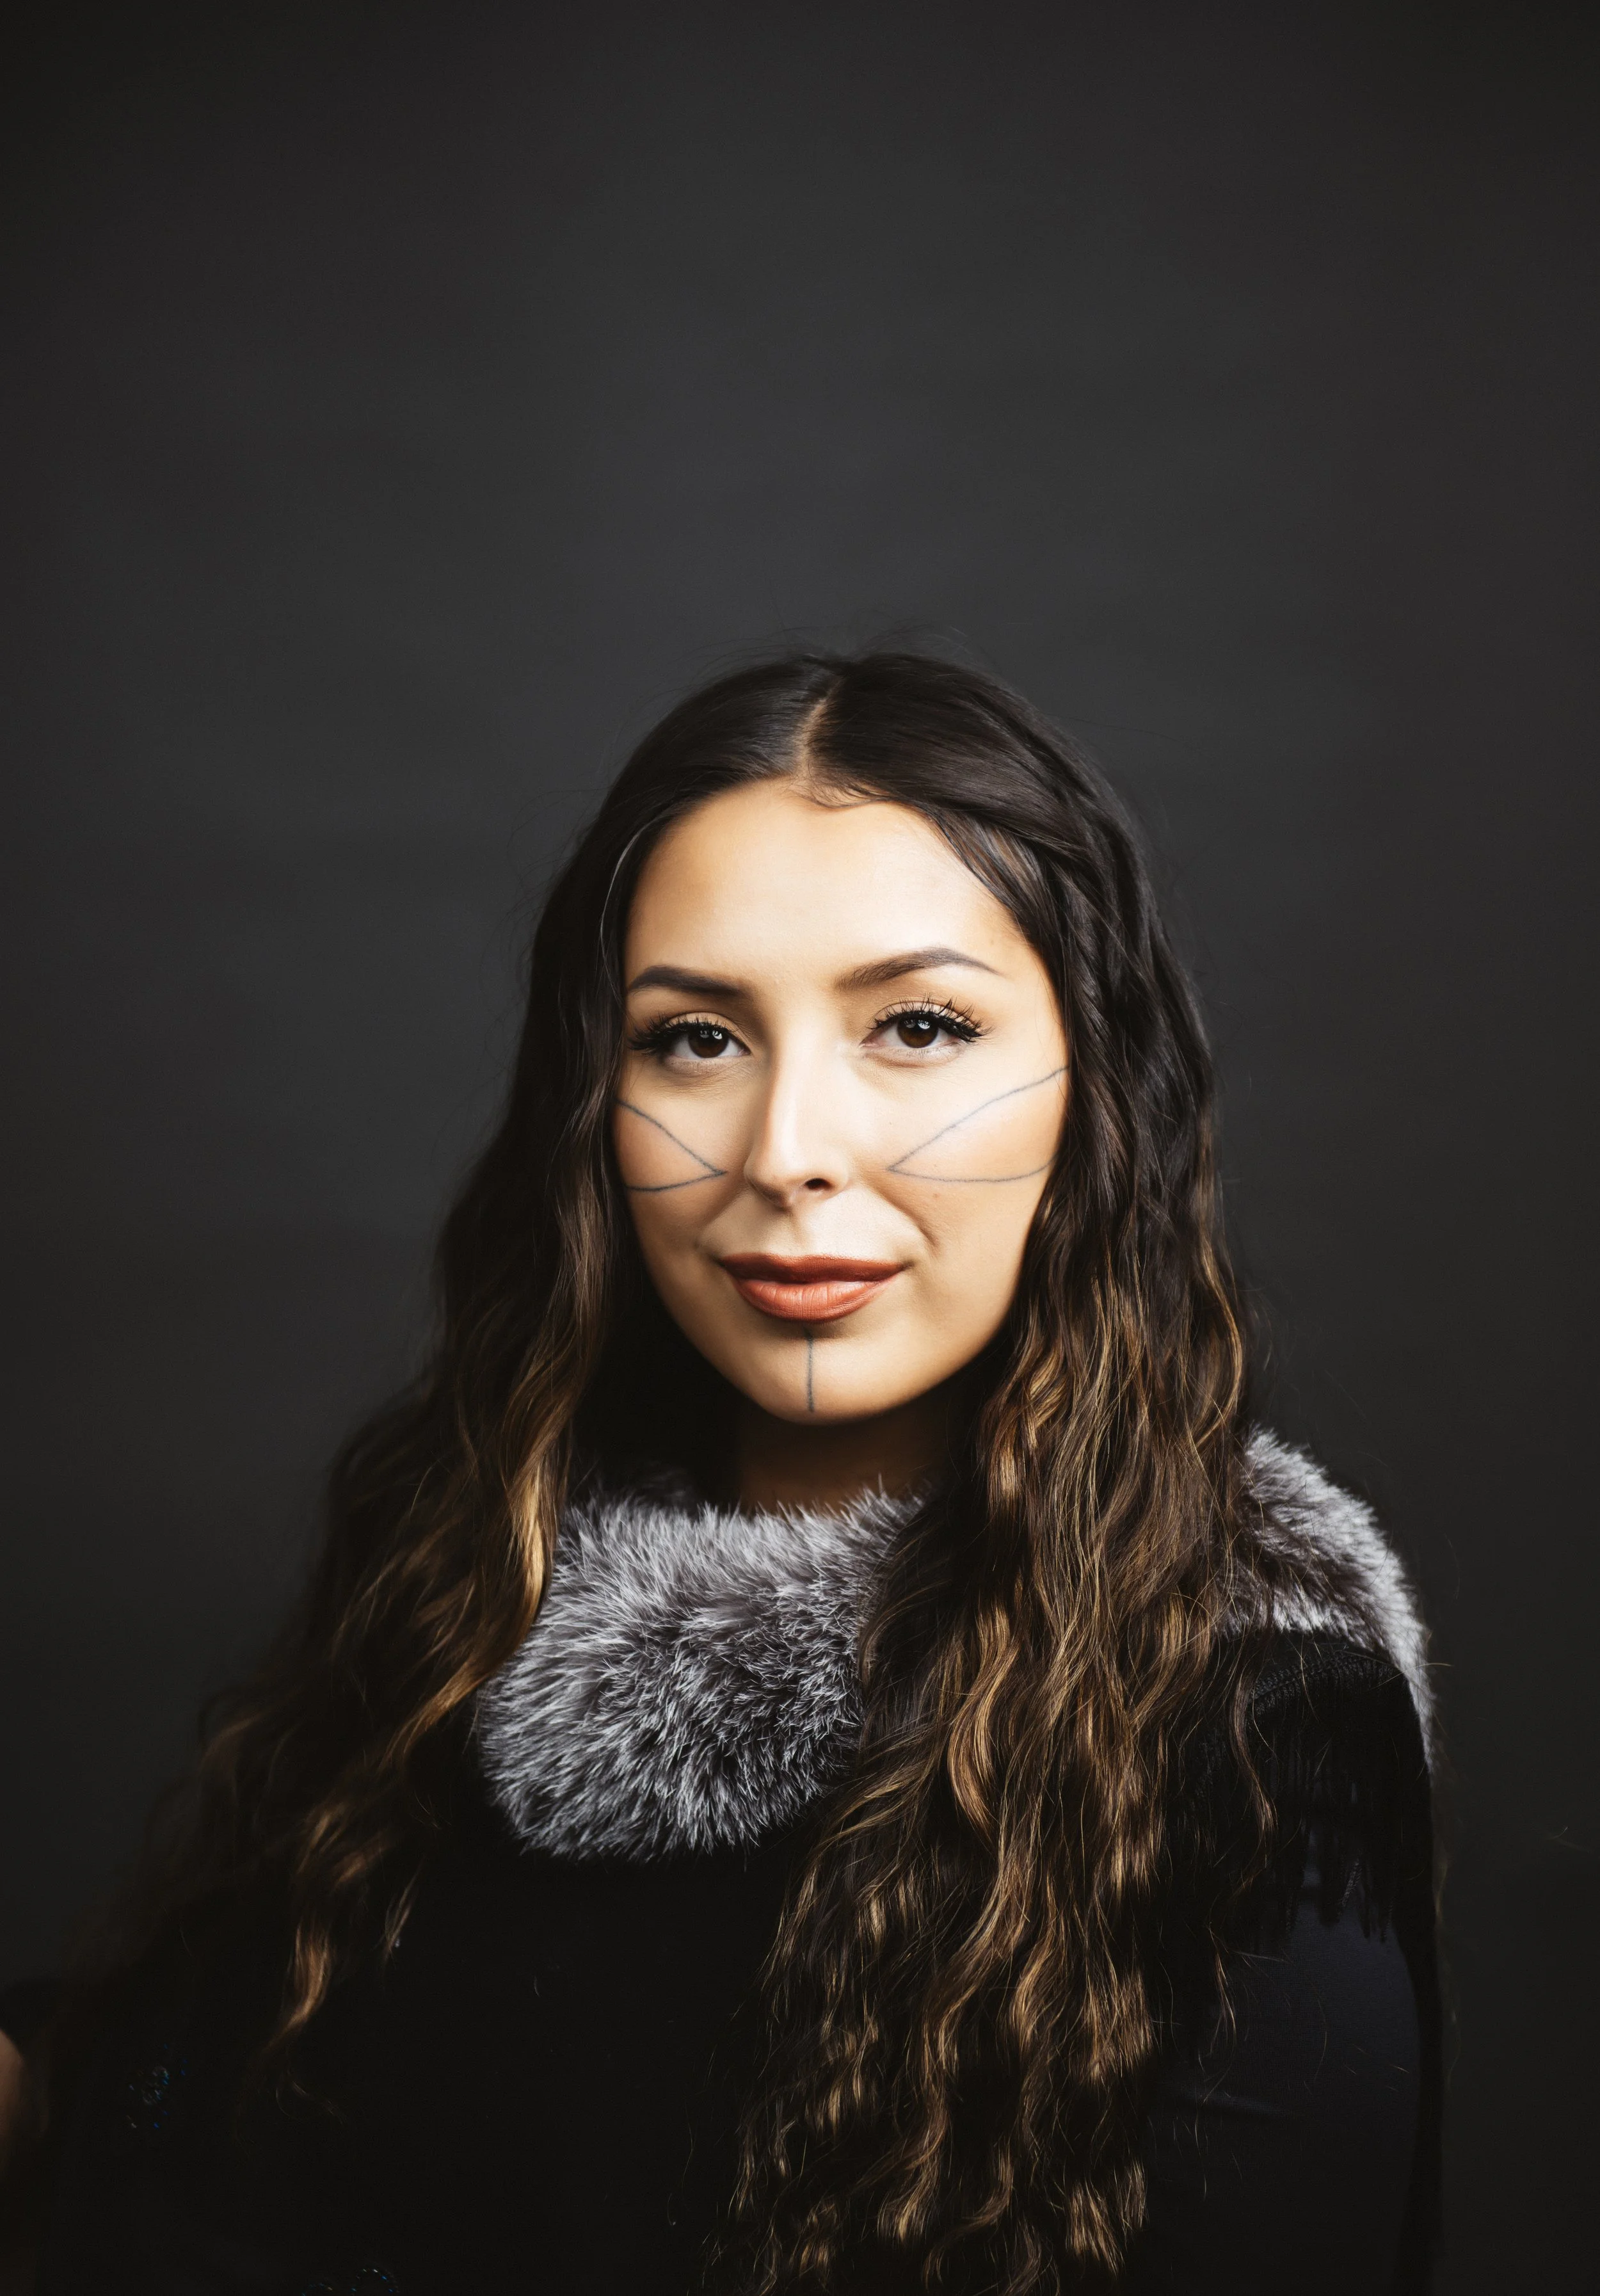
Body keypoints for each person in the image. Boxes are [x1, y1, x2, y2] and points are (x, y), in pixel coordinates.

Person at [0, 652, 1439, 2295]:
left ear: (1090, 1092)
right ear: (595, 1107)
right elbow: (205, 2081)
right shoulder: (478, 1585)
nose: (782, 1150)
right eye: (694, 1038)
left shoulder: (1247, 1739)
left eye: (916, 1026)